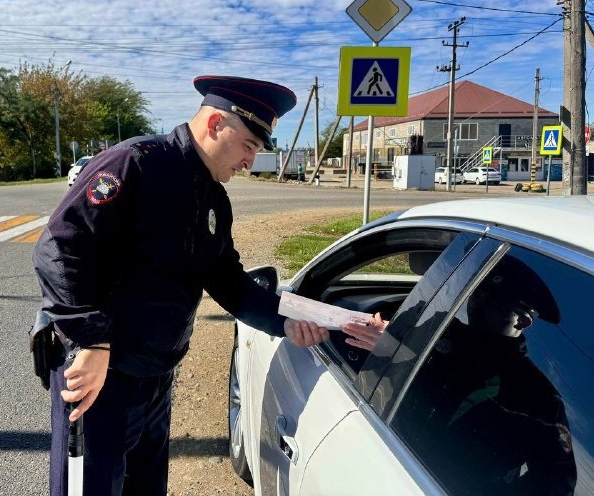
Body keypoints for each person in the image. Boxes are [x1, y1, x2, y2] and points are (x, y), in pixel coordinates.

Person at [33, 75, 329, 496]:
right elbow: (60, 247)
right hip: (100, 378)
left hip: (155, 379)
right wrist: (92, 340)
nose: (250, 162)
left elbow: (230, 283)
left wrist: (290, 320)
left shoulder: (212, 198)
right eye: (248, 146)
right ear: (215, 124)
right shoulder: (136, 164)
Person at [340, 256, 576, 495]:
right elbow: (375, 359)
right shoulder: (438, 329)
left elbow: (554, 485)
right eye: (476, 292)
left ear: (523, 321)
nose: (476, 301)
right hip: (387, 453)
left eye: (492, 299)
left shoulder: (538, 396)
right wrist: (391, 338)